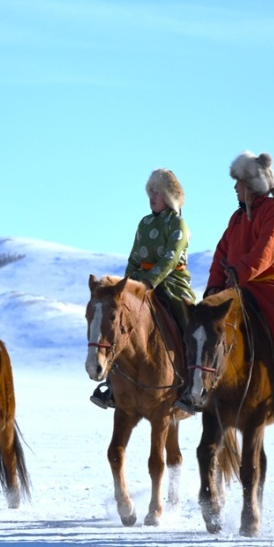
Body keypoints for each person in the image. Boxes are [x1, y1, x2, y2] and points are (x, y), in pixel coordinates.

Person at [203, 151, 274, 415]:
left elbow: (267, 249)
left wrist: (240, 272)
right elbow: (221, 253)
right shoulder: (237, 218)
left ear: (251, 185)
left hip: (269, 285)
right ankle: (198, 383)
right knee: (205, 324)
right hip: (237, 287)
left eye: (239, 183)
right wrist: (214, 287)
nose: (235, 188)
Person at [90, 168, 196, 410]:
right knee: (120, 323)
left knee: (188, 322)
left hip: (172, 283)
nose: (152, 197)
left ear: (168, 196)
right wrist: (127, 286)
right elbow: (134, 258)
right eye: (150, 192)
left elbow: (170, 258)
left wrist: (150, 282)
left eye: (157, 192)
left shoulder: (178, 224)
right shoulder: (145, 223)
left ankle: (191, 385)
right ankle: (112, 384)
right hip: (140, 284)